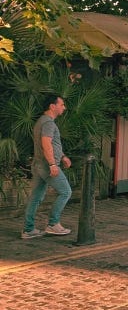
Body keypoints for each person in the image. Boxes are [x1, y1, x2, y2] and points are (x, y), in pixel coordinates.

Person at [23, 93, 73, 239]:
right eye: (61, 104)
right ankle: (53, 224)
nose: (64, 107)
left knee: (36, 198)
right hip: (46, 165)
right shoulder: (48, 123)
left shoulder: (42, 121)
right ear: (52, 106)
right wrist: (52, 164)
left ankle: (28, 230)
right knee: (66, 192)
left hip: (38, 164)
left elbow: (52, 144)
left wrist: (62, 156)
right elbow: (46, 143)